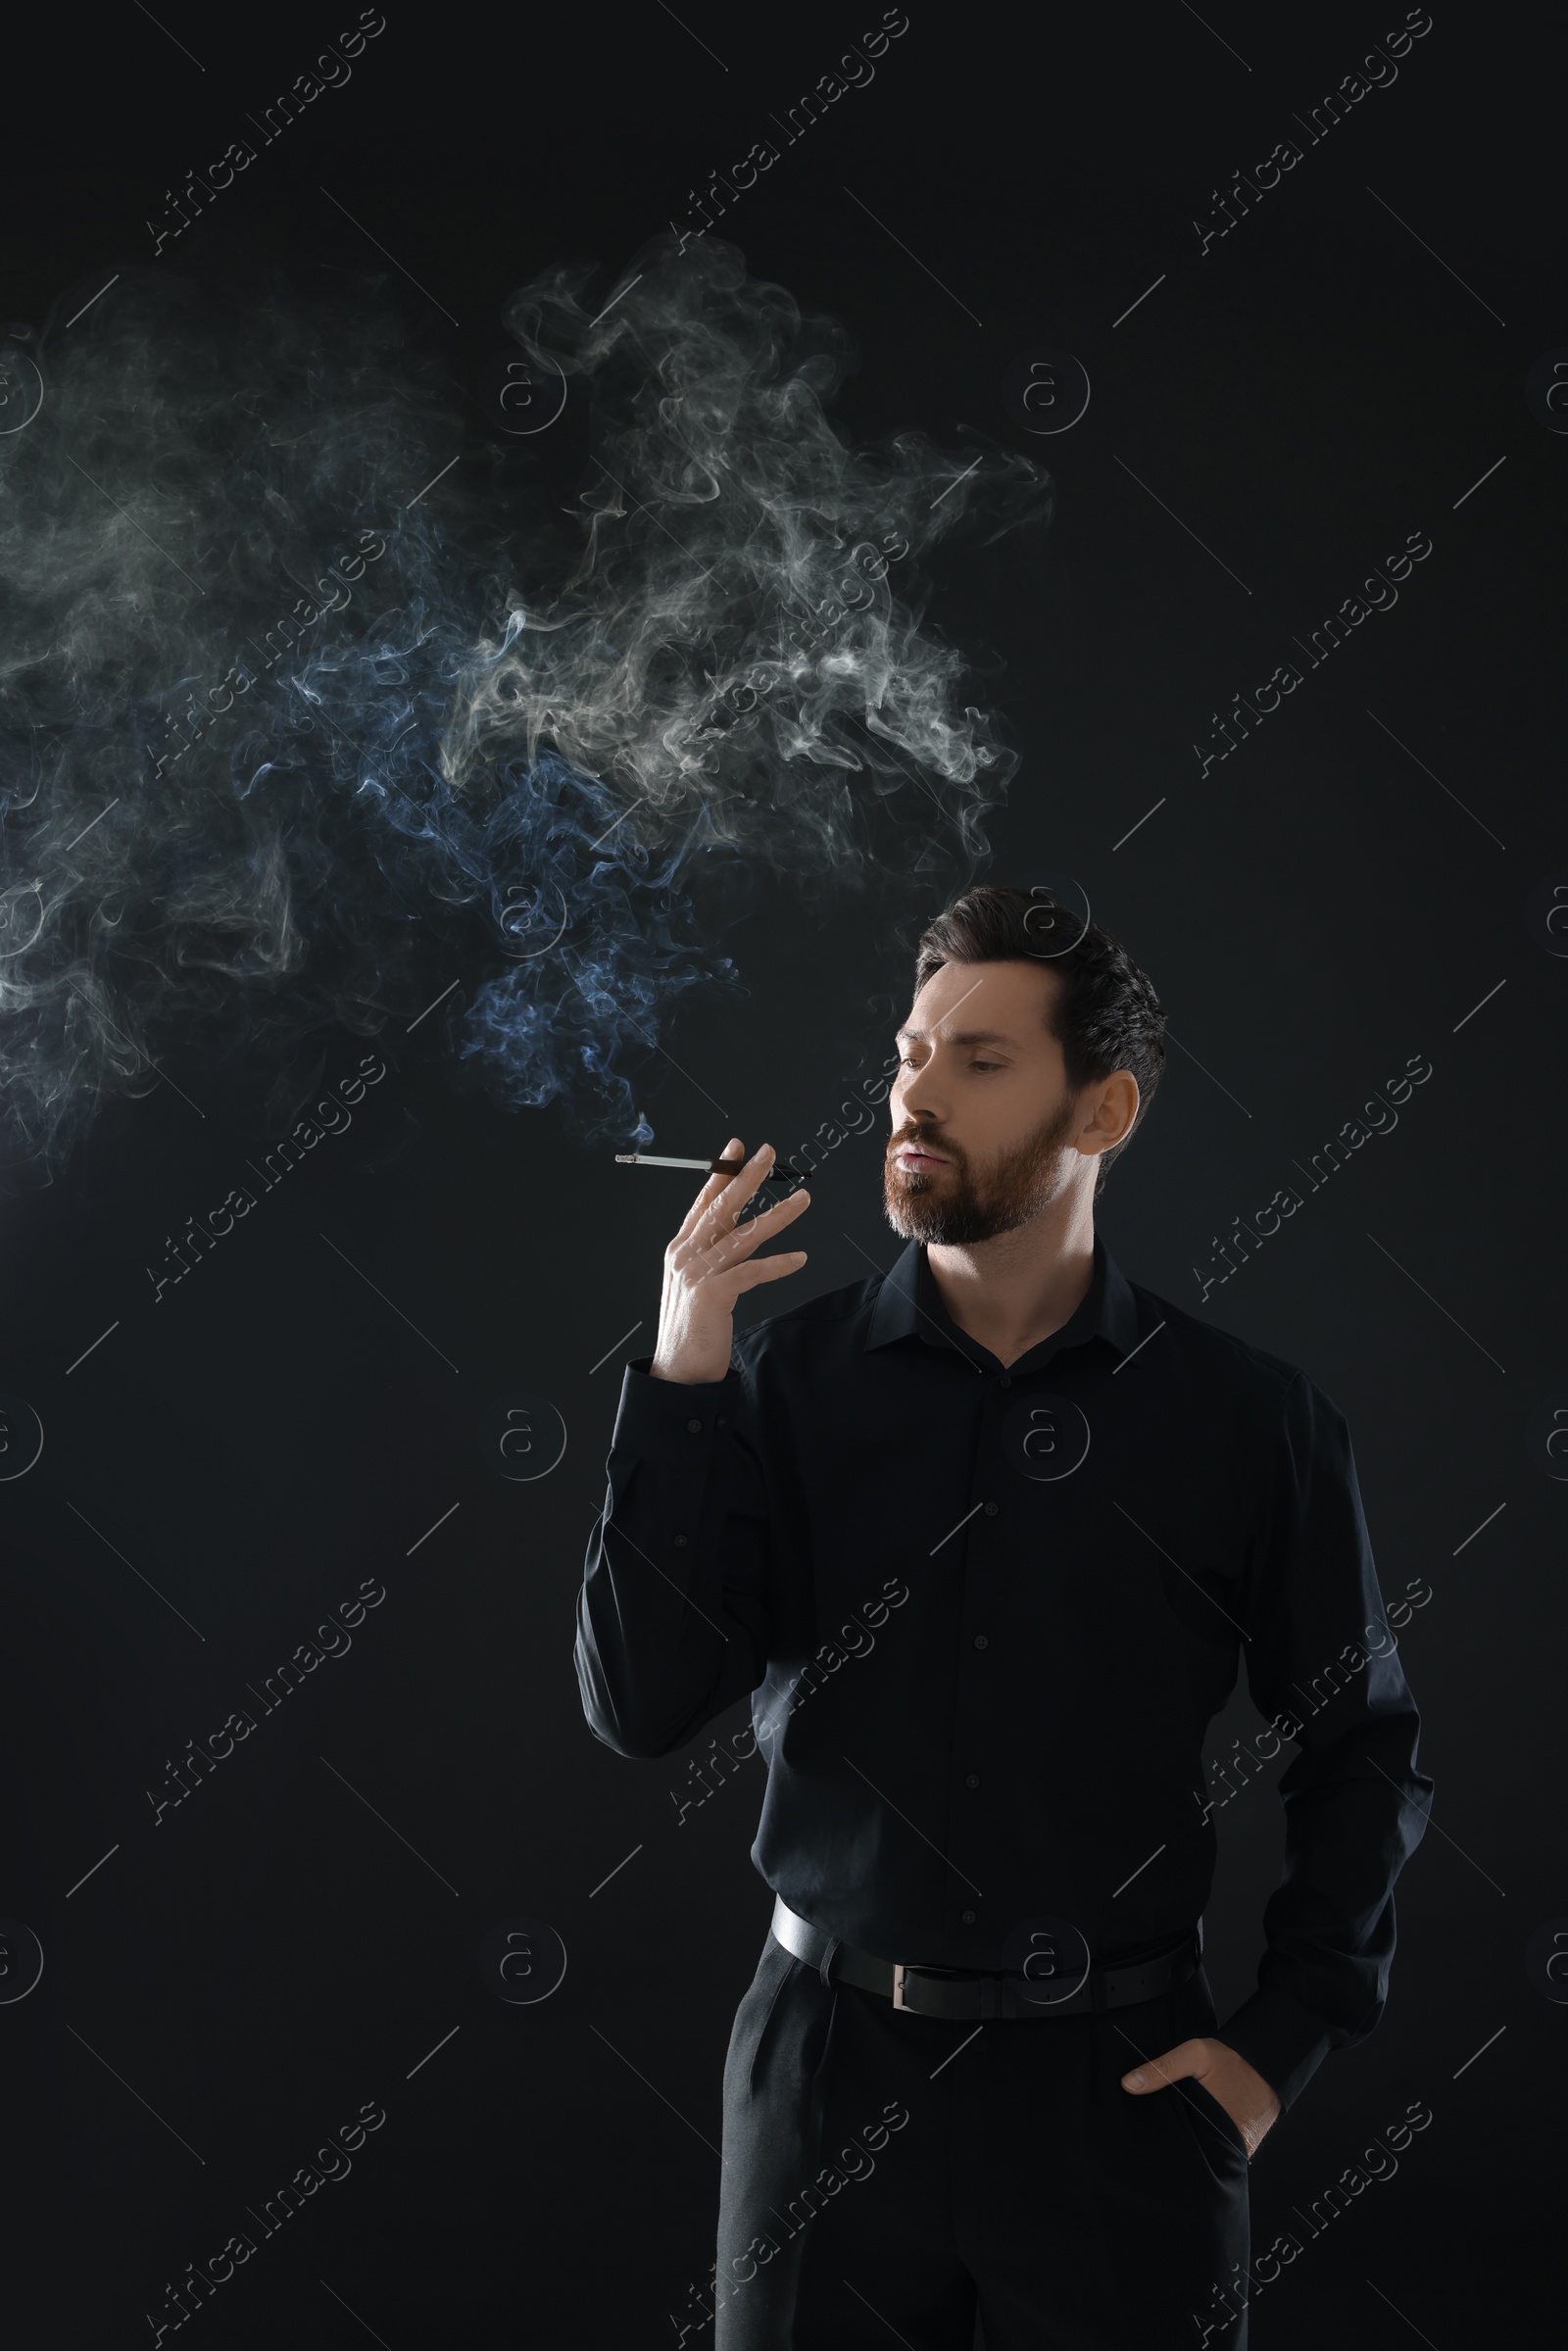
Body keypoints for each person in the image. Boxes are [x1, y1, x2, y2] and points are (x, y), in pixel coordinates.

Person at [575, 883, 1431, 2349]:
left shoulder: (1250, 1421)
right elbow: (640, 1711)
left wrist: (1276, 2051)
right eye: (909, 1053)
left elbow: (1365, 1745)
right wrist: (681, 1377)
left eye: (978, 1063)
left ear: (1102, 1113)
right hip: (822, 2072)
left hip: (1122, 2098)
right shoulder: (772, 1389)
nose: (914, 1092)